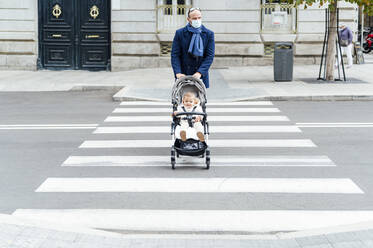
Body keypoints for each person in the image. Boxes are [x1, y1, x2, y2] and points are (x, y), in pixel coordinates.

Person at [171, 7, 215, 88]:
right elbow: (175, 55)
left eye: (199, 18)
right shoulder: (180, 33)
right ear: (188, 19)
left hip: (200, 76)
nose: (197, 20)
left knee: (198, 100)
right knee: (184, 100)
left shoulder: (209, 34)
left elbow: (210, 56)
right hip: (183, 75)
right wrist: (178, 73)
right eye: (194, 18)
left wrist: (200, 72)